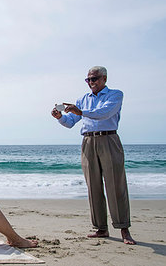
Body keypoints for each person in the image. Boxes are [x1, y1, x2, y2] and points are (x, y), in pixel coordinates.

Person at [51, 66, 136, 245]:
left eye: (94, 79)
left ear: (104, 78)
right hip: (88, 142)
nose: (91, 83)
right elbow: (70, 122)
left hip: (109, 139)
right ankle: (101, 228)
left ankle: (123, 229)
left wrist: (80, 112)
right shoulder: (82, 99)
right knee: (93, 186)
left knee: (115, 185)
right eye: (88, 80)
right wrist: (59, 117)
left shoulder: (115, 95)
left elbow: (104, 113)